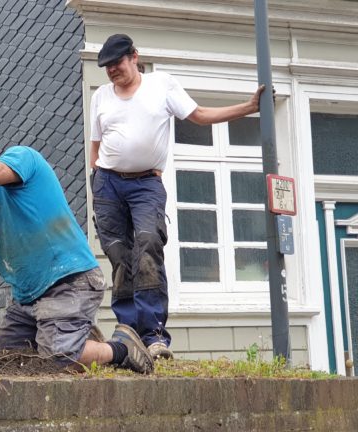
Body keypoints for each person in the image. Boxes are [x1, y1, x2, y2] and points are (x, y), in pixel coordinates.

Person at [0, 127, 154, 374]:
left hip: (69, 282)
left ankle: (120, 348)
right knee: (2, 363)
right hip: (26, 298)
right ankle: (74, 336)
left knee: (55, 360)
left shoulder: (21, 158)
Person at [89, 34, 265, 360]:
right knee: (119, 257)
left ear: (134, 57)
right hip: (108, 184)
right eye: (107, 67)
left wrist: (248, 108)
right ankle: (127, 332)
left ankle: (153, 334)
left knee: (147, 246)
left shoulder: (162, 85)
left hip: (146, 185)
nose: (112, 70)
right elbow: (95, 147)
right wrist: (97, 180)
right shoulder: (100, 96)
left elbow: (198, 116)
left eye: (117, 63)